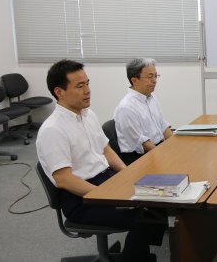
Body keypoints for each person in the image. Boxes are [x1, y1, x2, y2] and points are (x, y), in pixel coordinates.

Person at [36, 59, 165, 262]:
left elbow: (105, 149)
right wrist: (106, 194)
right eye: (80, 86)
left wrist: (126, 174)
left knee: (158, 200)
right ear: (59, 92)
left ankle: (137, 254)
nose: (88, 90)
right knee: (145, 216)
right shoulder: (53, 129)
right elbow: (64, 180)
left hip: (105, 179)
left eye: (87, 83)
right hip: (80, 197)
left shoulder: (87, 114)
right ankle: (134, 257)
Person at [114, 58, 173, 165]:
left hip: (156, 148)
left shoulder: (152, 98)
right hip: (140, 158)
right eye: (150, 77)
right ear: (134, 80)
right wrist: (166, 155)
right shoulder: (126, 107)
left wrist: (176, 146)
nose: (154, 80)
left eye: (156, 76)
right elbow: (143, 144)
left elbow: (163, 126)